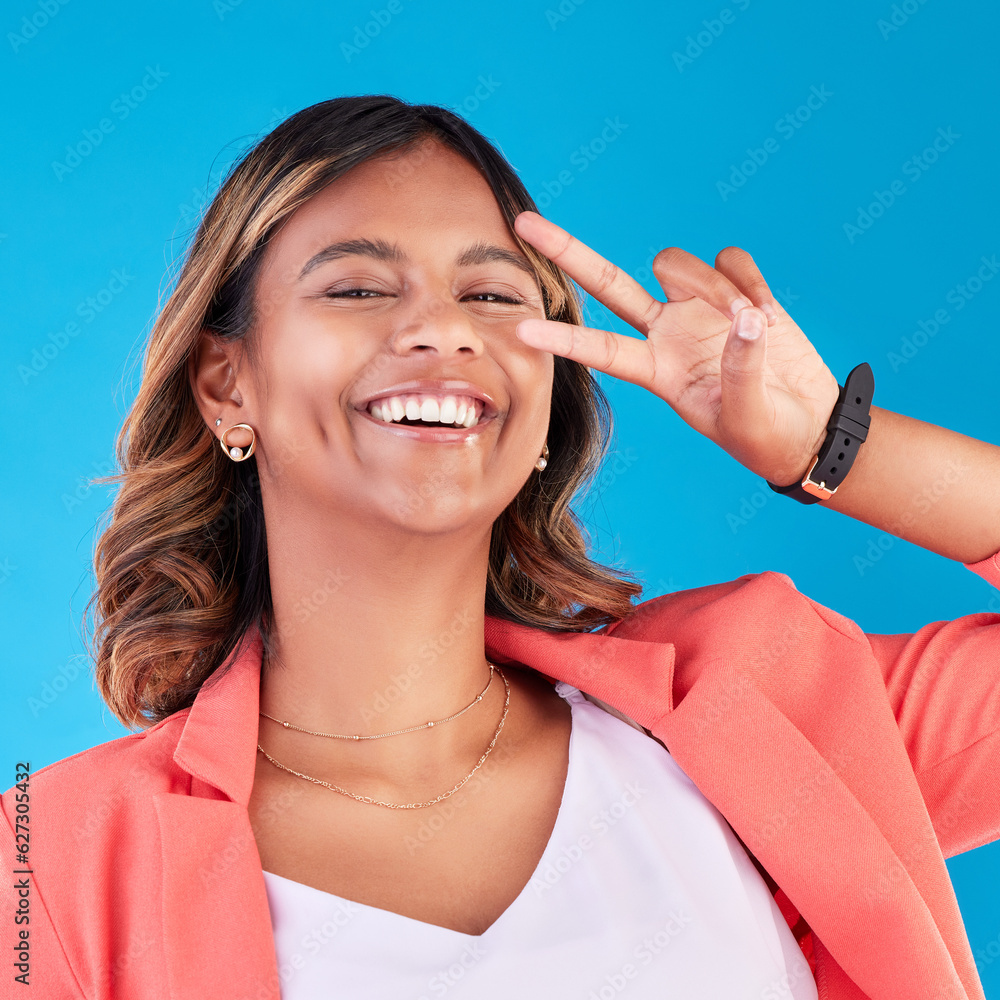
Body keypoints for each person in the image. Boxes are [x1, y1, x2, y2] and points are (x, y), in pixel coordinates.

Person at [3, 95, 998, 1000]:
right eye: (356, 288)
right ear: (226, 386)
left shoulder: (767, 699)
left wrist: (827, 444)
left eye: (490, 295)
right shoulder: (41, 867)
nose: (441, 328)